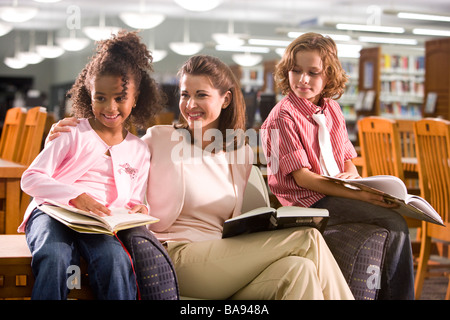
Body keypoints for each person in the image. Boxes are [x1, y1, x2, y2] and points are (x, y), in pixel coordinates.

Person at [49, 54, 353, 300]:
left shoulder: (240, 151)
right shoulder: (160, 138)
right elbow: (107, 155)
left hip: (226, 261)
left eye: (201, 95)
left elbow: (237, 221)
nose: (190, 104)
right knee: (307, 237)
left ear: (225, 99)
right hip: (176, 257)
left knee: (298, 270)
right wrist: (64, 139)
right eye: (184, 94)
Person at [260, 32, 414, 299]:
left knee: (391, 209)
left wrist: (360, 185)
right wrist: (360, 195)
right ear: (287, 71)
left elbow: (346, 161)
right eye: (296, 71)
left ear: (328, 76)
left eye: (313, 72)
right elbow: (304, 179)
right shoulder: (282, 116)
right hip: (308, 201)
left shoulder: (332, 109)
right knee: (394, 222)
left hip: (334, 191)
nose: (303, 79)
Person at [19, 30, 171, 300]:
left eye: (120, 98)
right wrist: (75, 196)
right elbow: (30, 179)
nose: (110, 107)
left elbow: (135, 198)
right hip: (53, 213)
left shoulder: (139, 149)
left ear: (135, 98)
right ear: (88, 95)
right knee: (55, 256)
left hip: (99, 223)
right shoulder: (72, 132)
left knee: (116, 261)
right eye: (100, 97)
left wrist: (140, 208)